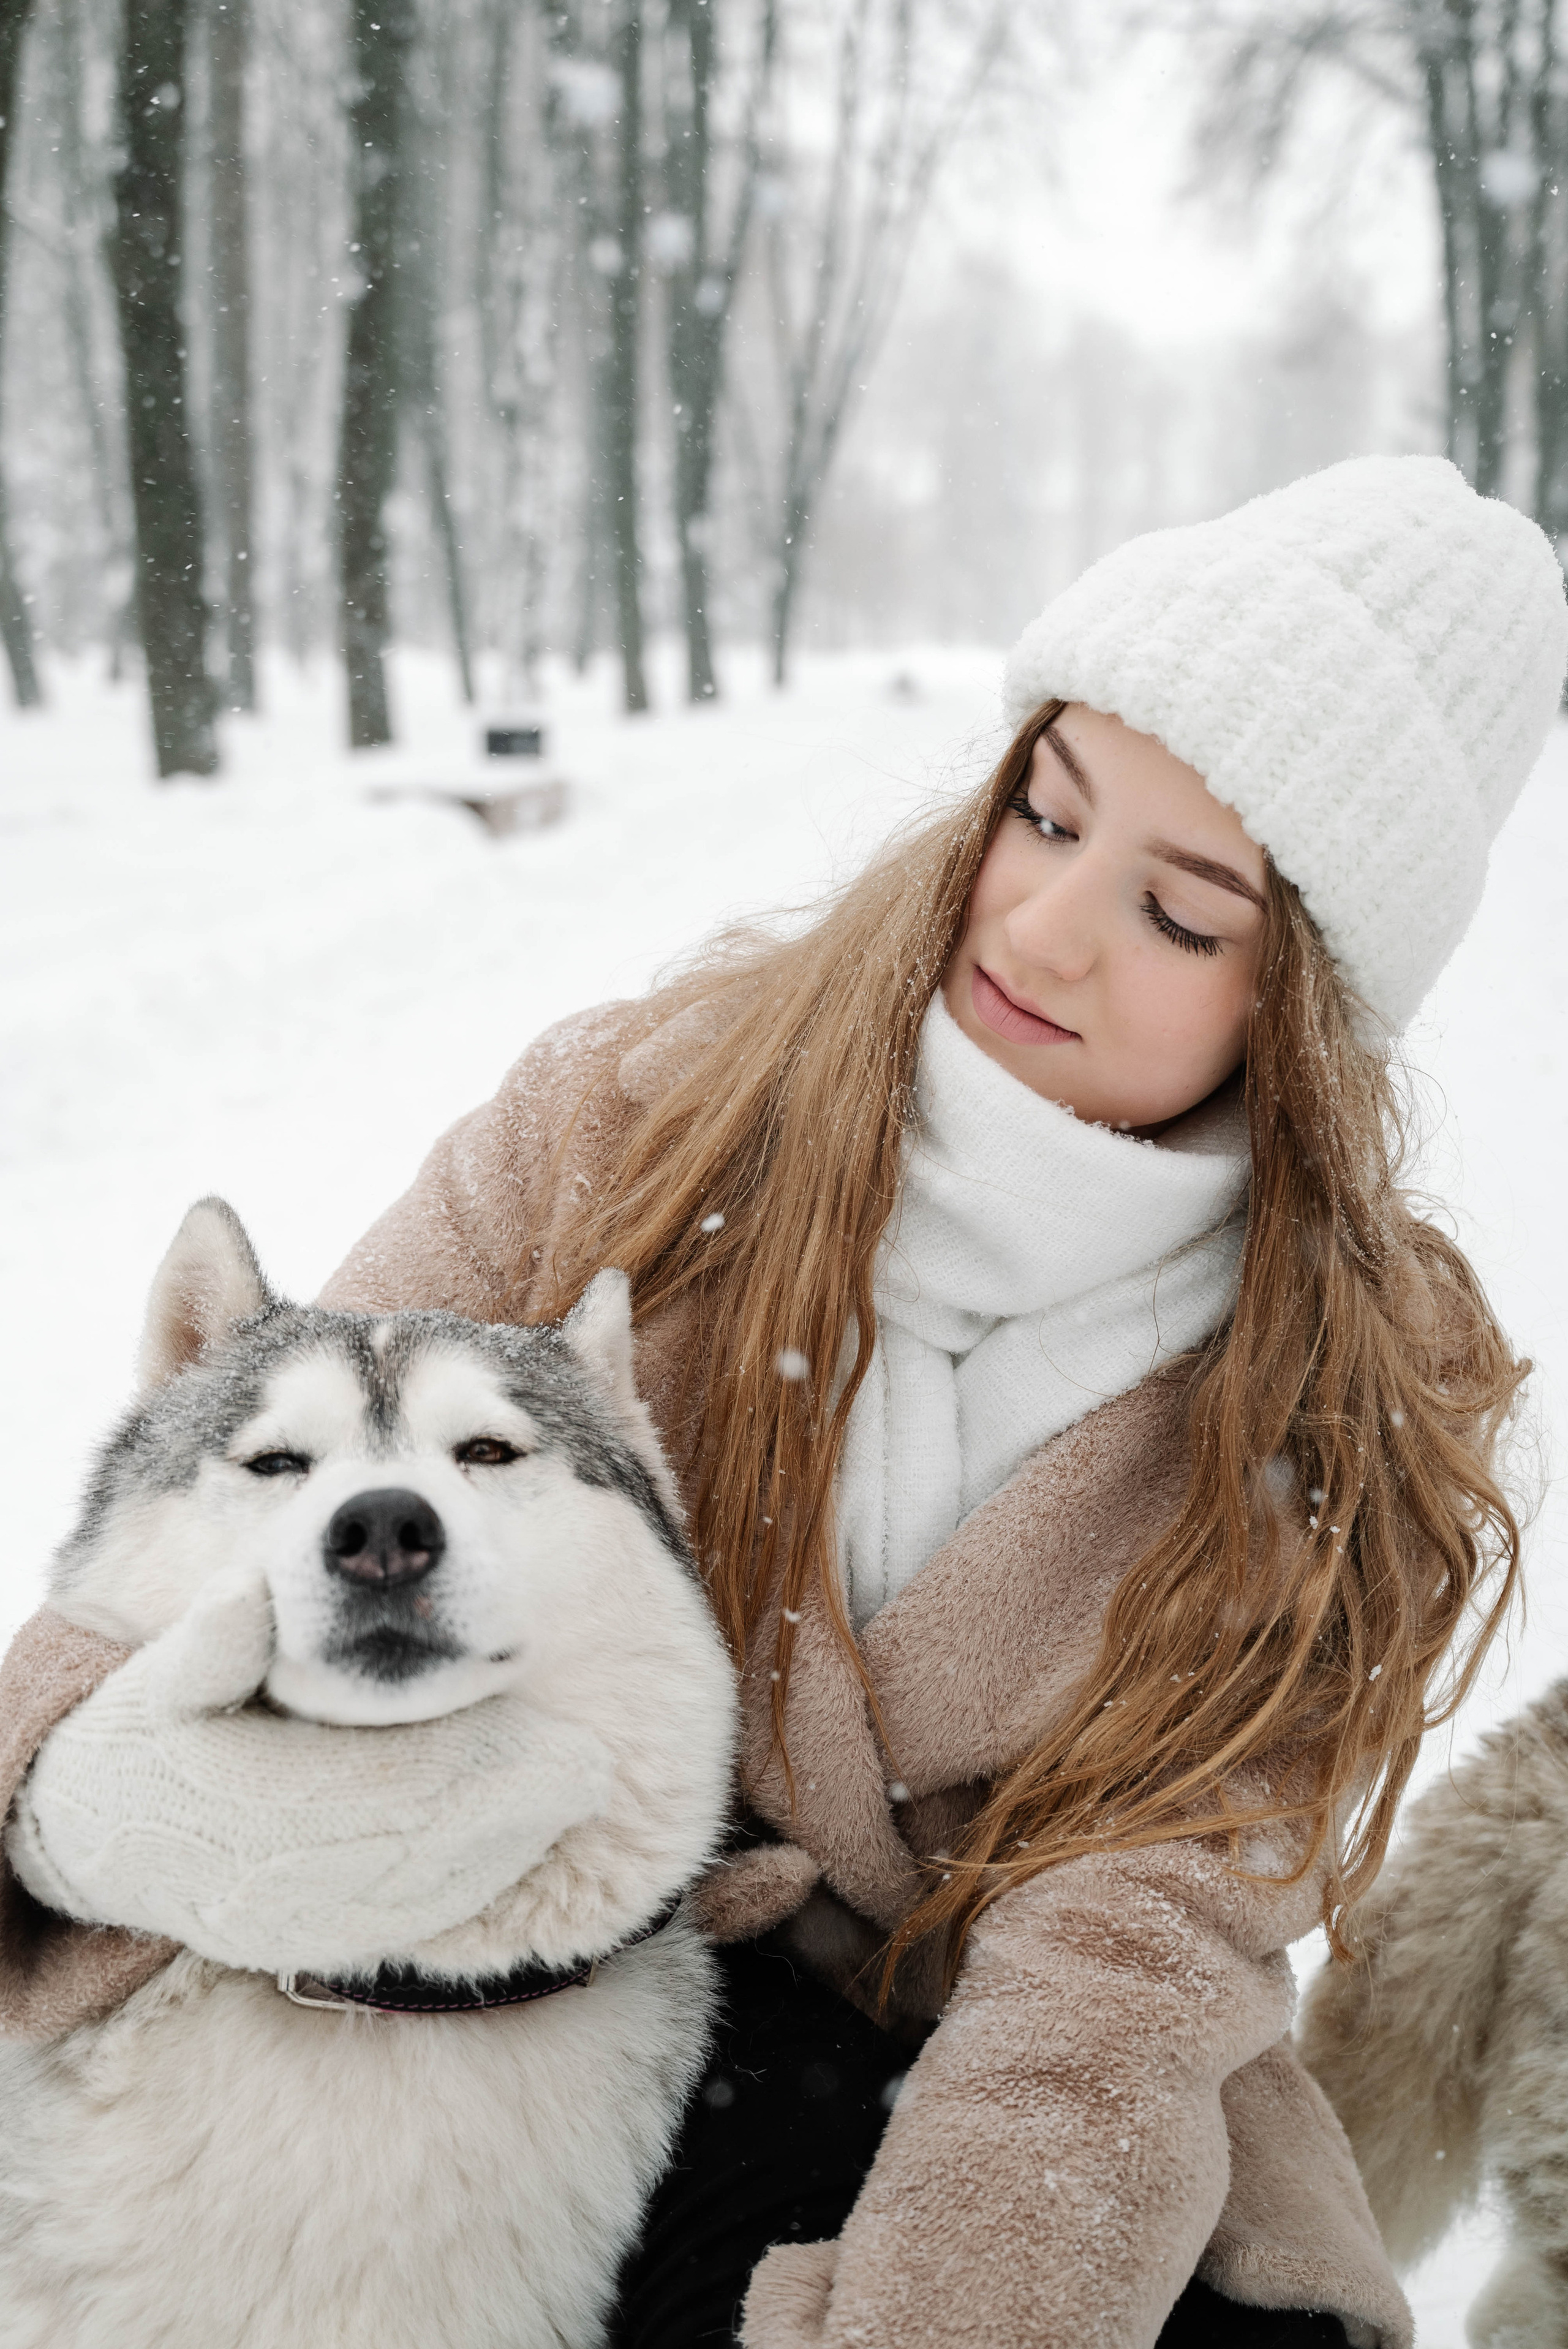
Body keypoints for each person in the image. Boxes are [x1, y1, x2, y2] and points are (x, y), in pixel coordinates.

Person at [0, 455, 1561, 2348]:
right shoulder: (640, 1121)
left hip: (1032, 2110)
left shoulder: (1338, 1421)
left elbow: (1124, 1980)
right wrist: (67, 1794)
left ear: (1301, 1005)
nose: (1047, 927)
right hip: (578, 1989)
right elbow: (259, 1476)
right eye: (1045, 814)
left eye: (1179, 912)